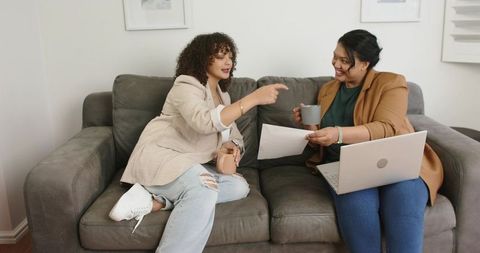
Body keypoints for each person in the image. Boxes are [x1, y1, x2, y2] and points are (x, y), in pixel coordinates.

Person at [109, 32, 288, 253]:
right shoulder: (185, 85)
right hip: (162, 156)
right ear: (203, 58)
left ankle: (155, 201)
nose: (228, 62)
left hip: (189, 164)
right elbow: (204, 122)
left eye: (230, 56)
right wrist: (253, 98)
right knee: (204, 188)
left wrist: (233, 147)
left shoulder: (223, 96)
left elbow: (235, 136)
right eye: (221, 56)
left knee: (239, 186)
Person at [293, 29, 443, 253]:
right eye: (335, 56)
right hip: (348, 167)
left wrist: (339, 133)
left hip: (397, 163)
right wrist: (308, 125)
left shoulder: (391, 83)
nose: (336, 64)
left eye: (345, 61)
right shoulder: (328, 89)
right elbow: (320, 141)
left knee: (403, 202)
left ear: (365, 64)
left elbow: (387, 127)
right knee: (356, 207)